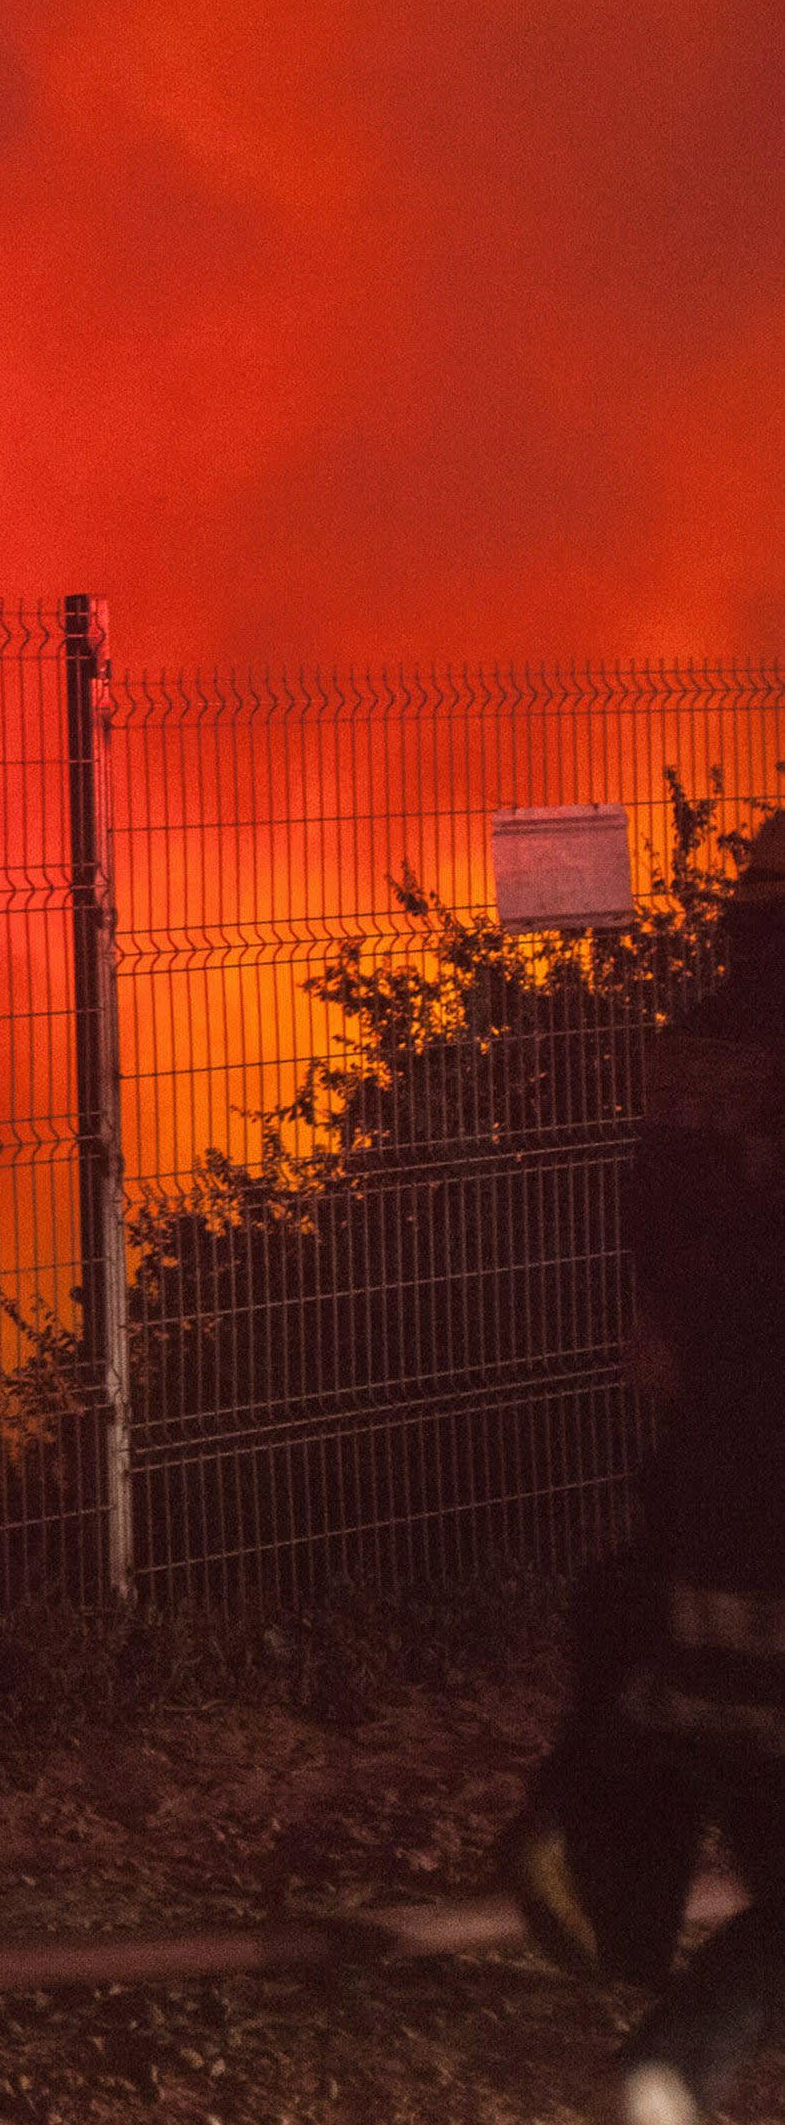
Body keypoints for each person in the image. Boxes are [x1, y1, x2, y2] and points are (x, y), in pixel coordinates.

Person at [507, 815, 785, 2125]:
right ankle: (676, 2062)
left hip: (711, 1497)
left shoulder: (688, 1052)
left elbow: (660, 1309)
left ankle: (600, 1803)